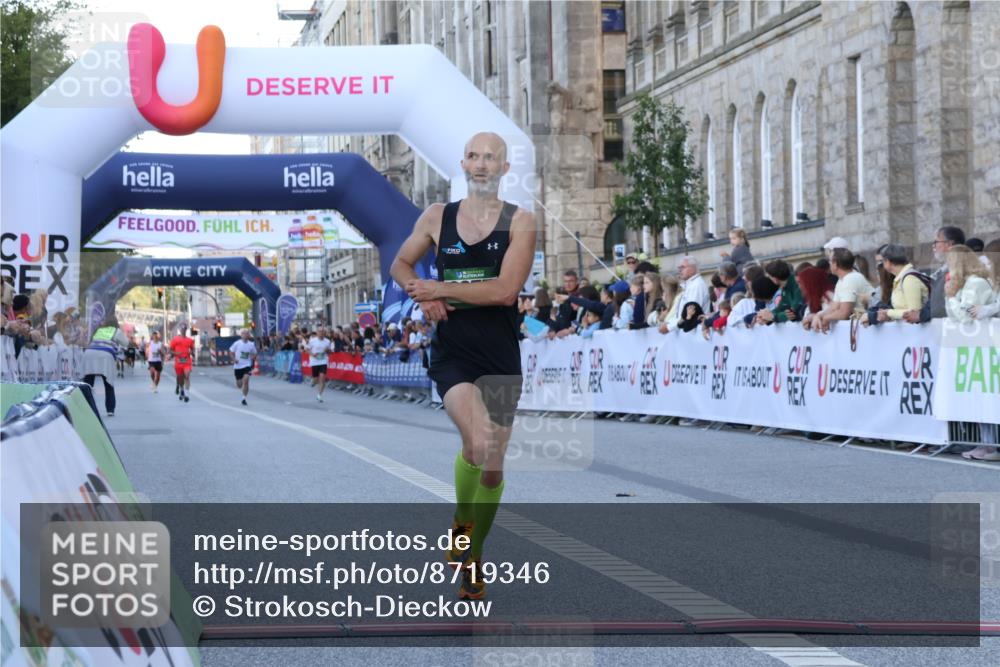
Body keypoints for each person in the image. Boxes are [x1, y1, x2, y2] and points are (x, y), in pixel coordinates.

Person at [391, 131, 536, 600]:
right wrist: (420, 292)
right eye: (473, 156)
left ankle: (472, 553)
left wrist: (440, 291)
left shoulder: (521, 222)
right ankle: (462, 525)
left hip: (499, 351)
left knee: (492, 467)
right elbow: (400, 265)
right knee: (478, 440)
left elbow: (504, 292)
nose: (480, 164)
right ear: (463, 163)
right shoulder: (437, 217)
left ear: (504, 169)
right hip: (454, 351)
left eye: (490, 157)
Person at [806, 248, 873, 332]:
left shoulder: (850, 278)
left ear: (835, 264)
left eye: (830, 261)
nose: (829, 264)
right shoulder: (842, 280)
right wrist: (818, 316)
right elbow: (834, 307)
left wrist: (826, 318)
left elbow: (844, 313)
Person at [866, 244, 930, 325]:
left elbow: (914, 313)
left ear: (888, 262)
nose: (880, 266)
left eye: (882, 261)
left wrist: (888, 313)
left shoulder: (909, 279)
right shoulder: (901, 278)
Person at [81, 315, 129, 417]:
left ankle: (86, 407)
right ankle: (110, 409)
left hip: (89, 354)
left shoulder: (99, 330)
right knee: (108, 383)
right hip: (105, 356)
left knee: (88, 383)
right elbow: (126, 343)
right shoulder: (116, 331)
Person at [924, 225, 966, 321]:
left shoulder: (961, 268)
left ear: (949, 244)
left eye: (936, 242)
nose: (933, 246)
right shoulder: (943, 269)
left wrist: (921, 315)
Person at [663, 256, 709, 332]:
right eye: (679, 268)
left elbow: (691, 312)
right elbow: (680, 312)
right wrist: (670, 323)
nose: (680, 270)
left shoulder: (696, 286)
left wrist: (670, 327)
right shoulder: (689, 285)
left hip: (693, 331)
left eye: (683, 267)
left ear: (693, 268)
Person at [754, 260, 804, 326]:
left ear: (775, 279)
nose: (768, 280)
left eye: (769, 277)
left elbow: (793, 312)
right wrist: (765, 317)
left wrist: (773, 317)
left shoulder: (796, 285)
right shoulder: (785, 287)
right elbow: (781, 307)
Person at [229, 328, 258, 406]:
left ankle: (244, 398)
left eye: (247, 334)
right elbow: (231, 352)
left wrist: (252, 358)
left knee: (246, 380)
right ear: (241, 335)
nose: (245, 335)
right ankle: (239, 381)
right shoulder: (237, 343)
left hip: (247, 365)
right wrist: (234, 359)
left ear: (248, 335)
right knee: (239, 385)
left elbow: (255, 353)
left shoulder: (251, 344)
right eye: (244, 334)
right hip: (238, 366)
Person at [305, 326, 332, 402]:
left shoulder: (327, 341)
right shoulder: (312, 341)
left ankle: (319, 395)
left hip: (323, 361)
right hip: (314, 362)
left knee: (322, 378)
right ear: (317, 333)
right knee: (315, 379)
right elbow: (307, 349)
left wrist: (328, 350)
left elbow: (329, 352)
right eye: (320, 331)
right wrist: (312, 354)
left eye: (323, 332)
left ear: (325, 333)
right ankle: (313, 381)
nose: (321, 333)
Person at [169, 326, 196, 403]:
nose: (183, 330)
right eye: (182, 329)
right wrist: (176, 353)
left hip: (187, 361)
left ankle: (187, 395)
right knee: (180, 378)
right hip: (178, 362)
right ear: (180, 330)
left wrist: (192, 353)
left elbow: (192, 349)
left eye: (184, 329)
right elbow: (170, 350)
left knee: (187, 376)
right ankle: (181, 389)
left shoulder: (190, 340)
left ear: (186, 330)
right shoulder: (175, 340)